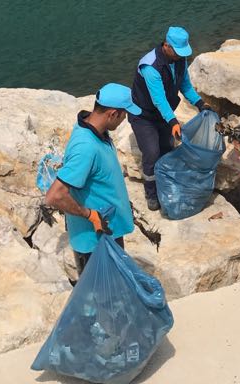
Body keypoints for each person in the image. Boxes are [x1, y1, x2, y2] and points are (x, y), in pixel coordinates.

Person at [43, 83, 141, 274]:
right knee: (102, 296)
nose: (125, 120)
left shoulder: (93, 127)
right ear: (112, 114)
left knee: (115, 288)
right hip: (95, 241)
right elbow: (54, 196)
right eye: (124, 115)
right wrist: (90, 215)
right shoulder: (86, 147)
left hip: (109, 229)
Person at [130, 26, 208, 211]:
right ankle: (151, 192)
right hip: (144, 116)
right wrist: (173, 121)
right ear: (166, 46)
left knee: (167, 149)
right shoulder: (150, 66)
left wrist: (200, 103)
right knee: (151, 152)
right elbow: (159, 100)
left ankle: (166, 185)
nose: (180, 56)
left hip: (163, 115)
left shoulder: (179, 60)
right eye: (177, 52)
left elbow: (186, 86)